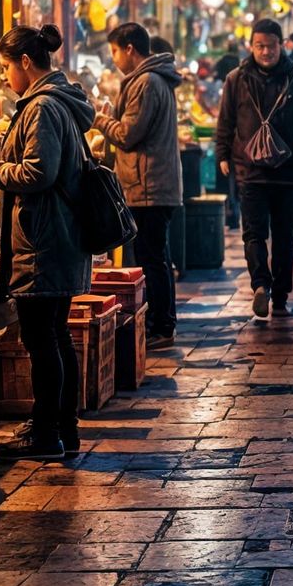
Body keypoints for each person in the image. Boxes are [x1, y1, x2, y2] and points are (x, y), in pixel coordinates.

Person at [0, 24, 93, 461]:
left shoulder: (43, 106)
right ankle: (62, 427)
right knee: (55, 334)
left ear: (26, 63)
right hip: (57, 236)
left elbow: (38, 173)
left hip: (43, 239)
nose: (6, 77)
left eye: (7, 67)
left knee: (40, 337)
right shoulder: (57, 101)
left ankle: (47, 432)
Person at [215, 17, 293, 319]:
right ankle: (260, 286)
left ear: (282, 45)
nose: (266, 52)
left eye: (271, 46)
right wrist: (223, 155)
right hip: (250, 171)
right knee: (252, 233)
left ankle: (280, 296)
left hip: (290, 173)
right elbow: (225, 121)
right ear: (251, 47)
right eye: (260, 46)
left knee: (284, 237)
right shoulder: (236, 79)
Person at [96, 22, 182, 347]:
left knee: (152, 257)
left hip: (149, 186)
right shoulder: (151, 80)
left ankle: (162, 327)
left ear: (130, 49)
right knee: (157, 255)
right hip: (153, 184)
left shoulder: (146, 82)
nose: (114, 58)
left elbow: (127, 135)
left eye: (115, 51)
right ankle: (163, 323)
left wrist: (98, 118)